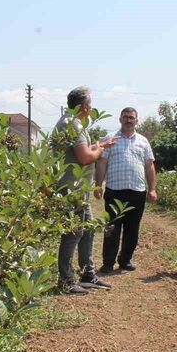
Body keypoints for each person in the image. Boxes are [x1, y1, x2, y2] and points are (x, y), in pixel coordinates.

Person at [52, 86, 119, 294]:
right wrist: (99, 151)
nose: (91, 107)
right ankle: (66, 280)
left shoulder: (70, 122)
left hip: (78, 190)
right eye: (90, 104)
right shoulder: (73, 124)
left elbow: (81, 152)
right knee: (73, 234)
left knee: (87, 229)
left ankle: (87, 274)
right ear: (83, 106)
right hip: (72, 189)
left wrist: (100, 146)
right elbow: (84, 157)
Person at [94, 107, 157, 273]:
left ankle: (125, 260)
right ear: (120, 119)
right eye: (126, 117)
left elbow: (150, 166)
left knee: (132, 229)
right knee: (112, 228)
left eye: (132, 118)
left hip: (137, 191)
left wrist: (152, 189)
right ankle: (108, 263)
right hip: (115, 191)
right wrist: (98, 184)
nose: (129, 120)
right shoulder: (110, 139)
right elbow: (102, 163)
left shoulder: (143, 141)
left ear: (137, 121)